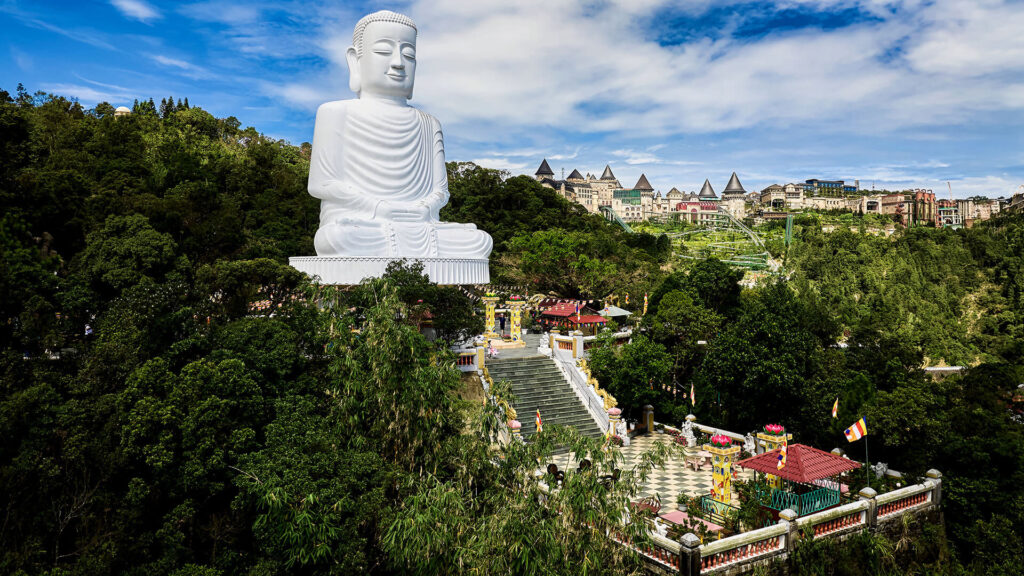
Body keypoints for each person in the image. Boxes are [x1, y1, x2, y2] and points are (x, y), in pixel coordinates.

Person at [306, 10, 492, 260]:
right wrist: (378, 207)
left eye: (409, 55)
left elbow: (441, 191)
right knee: (335, 239)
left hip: (421, 223)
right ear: (355, 61)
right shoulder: (336, 113)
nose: (398, 63)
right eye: (383, 51)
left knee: (479, 241)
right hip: (363, 225)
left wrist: (425, 208)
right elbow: (321, 184)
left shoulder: (429, 123)